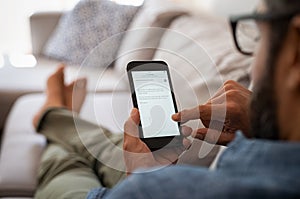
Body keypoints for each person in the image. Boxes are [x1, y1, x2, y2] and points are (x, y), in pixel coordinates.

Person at [33, 0, 300, 198]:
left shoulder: (151, 190)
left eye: (258, 40)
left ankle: (52, 113)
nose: (253, 68)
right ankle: (60, 115)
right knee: (111, 147)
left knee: (66, 166)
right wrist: (262, 131)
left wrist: (140, 177)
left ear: (295, 54)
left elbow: (148, 189)